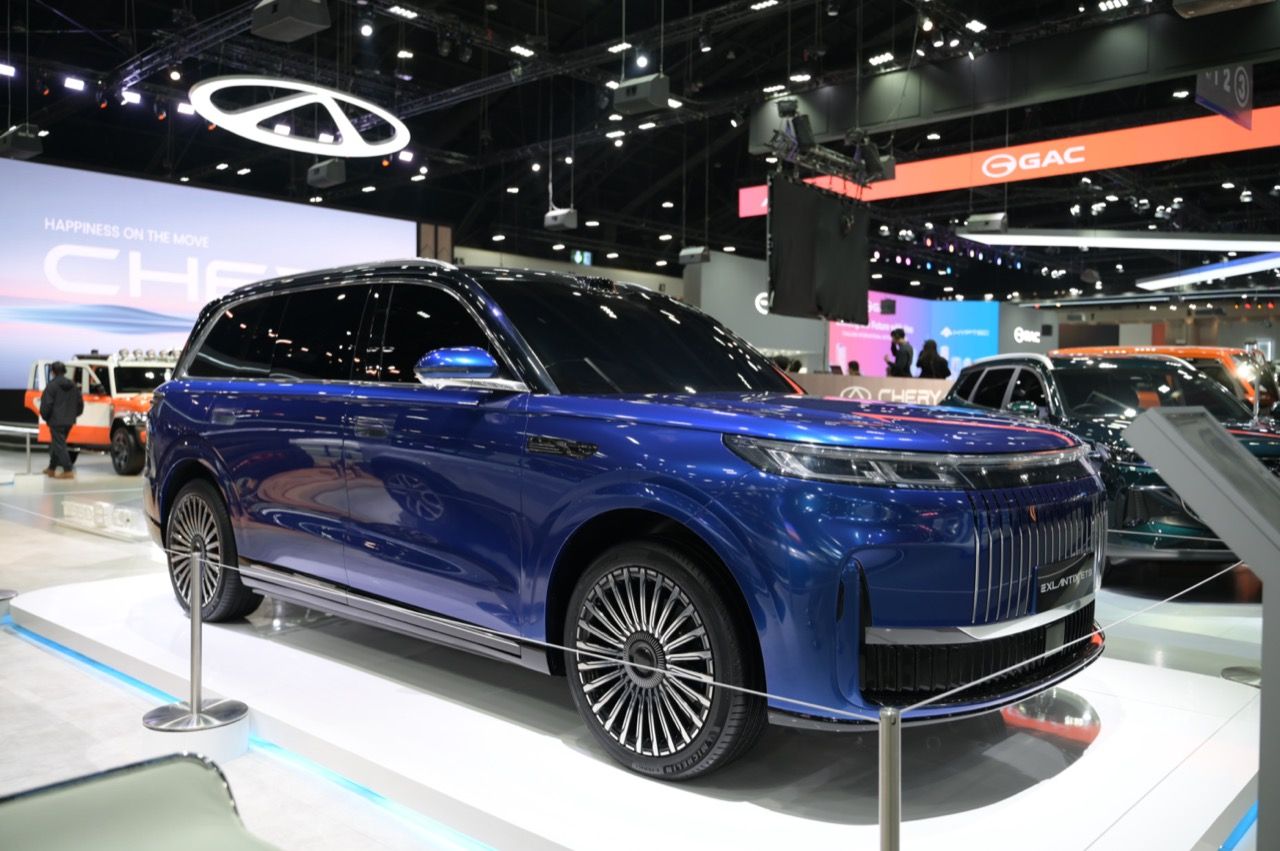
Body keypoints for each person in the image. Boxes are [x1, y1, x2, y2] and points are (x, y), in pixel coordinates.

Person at [40, 361, 83, 479]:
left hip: (56, 420)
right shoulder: (73, 385)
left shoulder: (51, 386)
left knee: (59, 445)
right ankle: (51, 468)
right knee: (58, 444)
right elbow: (80, 403)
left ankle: (68, 470)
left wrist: (46, 417)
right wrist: (74, 415)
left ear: (53, 372)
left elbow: (46, 404)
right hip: (69, 420)